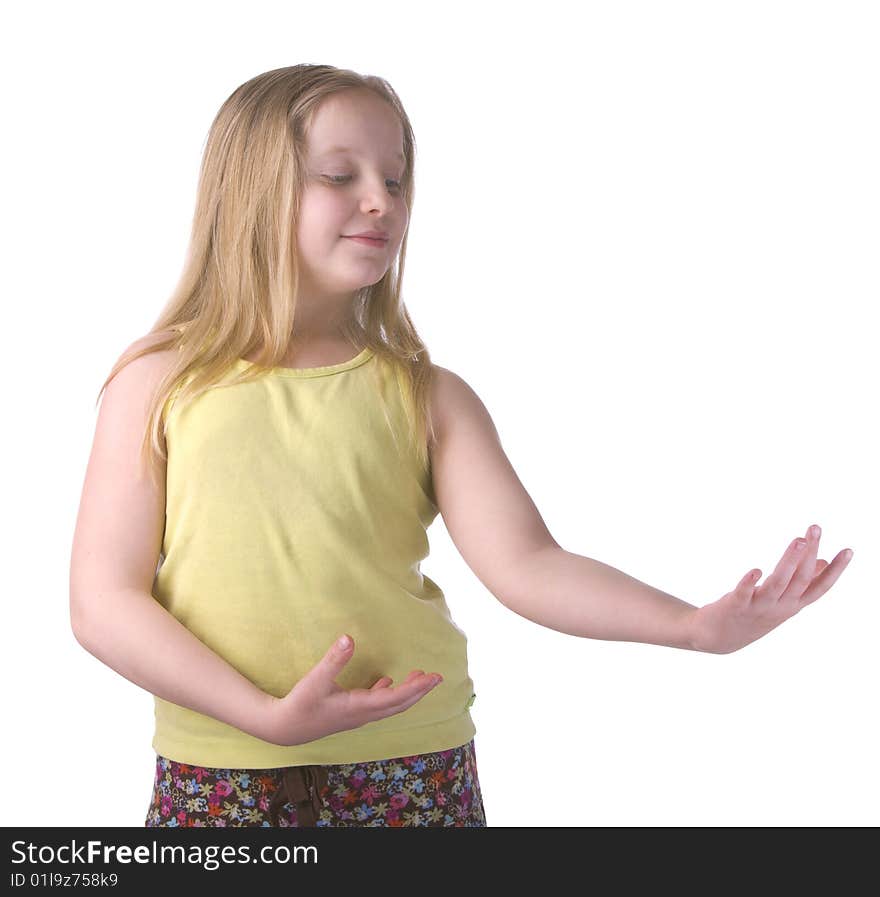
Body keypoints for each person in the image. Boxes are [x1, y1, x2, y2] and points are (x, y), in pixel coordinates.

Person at [68, 64, 854, 829]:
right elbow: (104, 600)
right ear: (248, 194)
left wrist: (690, 625)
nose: (381, 201)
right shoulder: (160, 382)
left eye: (396, 180)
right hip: (220, 768)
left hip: (412, 765)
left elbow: (529, 563)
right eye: (340, 176)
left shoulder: (427, 395)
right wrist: (262, 717)